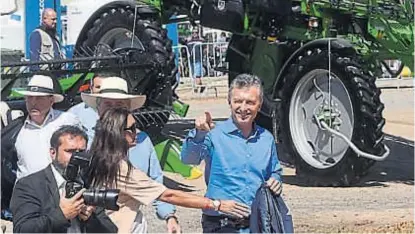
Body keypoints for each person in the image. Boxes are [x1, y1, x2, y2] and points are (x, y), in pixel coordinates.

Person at [86, 107, 250, 233]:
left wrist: (169, 217)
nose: (137, 132)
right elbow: (168, 194)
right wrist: (216, 204)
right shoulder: (119, 168)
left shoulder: (100, 158)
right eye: (133, 128)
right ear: (118, 133)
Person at [70, 76, 185, 233]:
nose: (113, 109)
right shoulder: (81, 140)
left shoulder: (142, 141)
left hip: (132, 225)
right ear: (98, 107)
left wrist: (169, 216)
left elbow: (156, 181)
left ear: (129, 108)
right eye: (108, 104)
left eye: (119, 105)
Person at [180, 73, 283, 233]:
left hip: (257, 222)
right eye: (238, 101)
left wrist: (276, 180)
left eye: (250, 102)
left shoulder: (266, 139)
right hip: (220, 223)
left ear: (260, 105)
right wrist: (198, 133)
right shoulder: (213, 134)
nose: (243, 108)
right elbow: (188, 159)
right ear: (229, 102)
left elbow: (274, 172)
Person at [10, 125, 117, 233]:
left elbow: (110, 230)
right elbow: (23, 230)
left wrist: (90, 219)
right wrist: (62, 214)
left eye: (81, 152)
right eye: (70, 151)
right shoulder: (30, 185)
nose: (77, 157)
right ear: (53, 153)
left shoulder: (87, 183)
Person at [14, 75, 81, 180]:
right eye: (30, 98)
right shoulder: (16, 129)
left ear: (51, 100)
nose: (33, 103)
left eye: (39, 98)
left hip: (61, 189)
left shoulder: (68, 121)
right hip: (27, 192)